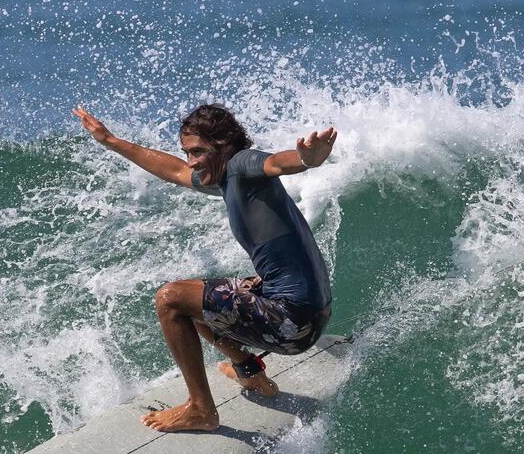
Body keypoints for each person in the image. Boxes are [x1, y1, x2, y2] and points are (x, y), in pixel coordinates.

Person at [73, 102, 337, 433]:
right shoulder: (226, 178)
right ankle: (251, 373)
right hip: (306, 316)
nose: (191, 160)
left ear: (224, 145)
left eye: (198, 151)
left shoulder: (241, 163)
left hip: (293, 318)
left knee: (171, 299)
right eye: (187, 151)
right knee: (200, 299)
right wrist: (110, 141)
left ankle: (201, 409)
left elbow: (273, 163)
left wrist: (307, 159)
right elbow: (174, 171)